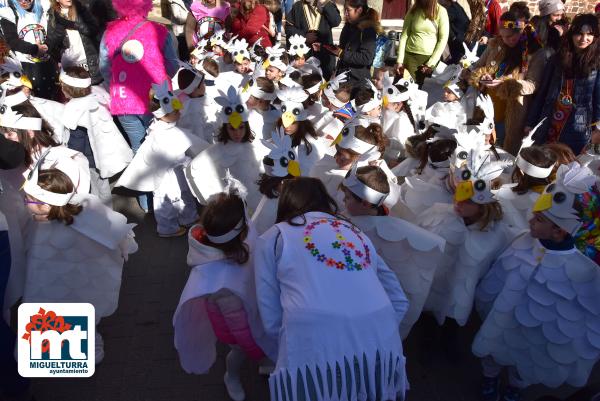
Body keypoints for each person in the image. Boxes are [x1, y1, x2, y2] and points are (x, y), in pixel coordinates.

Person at [254, 176, 409, 401]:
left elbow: (269, 312)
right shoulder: (354, 231)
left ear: (286, 202)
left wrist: (287, 351)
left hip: (312, 340)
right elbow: (398, 297)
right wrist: (378, 329)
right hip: (378, 339)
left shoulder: (274, 236)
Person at [472, 162, 600, 401]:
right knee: (492, 349)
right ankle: (490, 377)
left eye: (539, 219)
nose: (531, 220)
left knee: (525, 359)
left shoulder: (584, 271)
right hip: (502, 317)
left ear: (559, 231)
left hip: (536, 333)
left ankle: (515, 385)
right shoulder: (522, 240)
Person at [22, 160, 137, 365]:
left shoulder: (82, 221)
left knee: (83, 321)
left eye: (28, 202)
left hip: (82, 286)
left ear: (47, 204)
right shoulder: (45, 222)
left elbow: (115, 235)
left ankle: (90, 351)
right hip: (54, 288)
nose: (25, 206)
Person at [173, 189, 275, 401]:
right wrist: (253, 343)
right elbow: (238, 323)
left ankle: (264, 362)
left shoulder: (236, 238)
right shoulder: (218, 281)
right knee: (239, 352)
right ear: (240, 233)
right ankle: (232, 376)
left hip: (251, 308)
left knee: (263, 344)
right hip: (236, 323)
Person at [341, 163, 446, 338]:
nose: (343, 201)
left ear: (366, 203)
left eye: (347, 198)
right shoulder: (345, 219)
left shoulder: (399, 234)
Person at [98, 0, 179, 212]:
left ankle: (146, 202)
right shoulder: (160, 31)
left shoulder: (110, 32)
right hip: (157, 99)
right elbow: (172, 65)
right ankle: (166, 200)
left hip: (124, 100)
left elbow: (104, 68)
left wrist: (118, 83)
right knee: (161, 148)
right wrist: (160, 79)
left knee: (139, 149)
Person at [116, 80, 198, 238]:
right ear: (164, 115)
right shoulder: (161, 134)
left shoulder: (163, 126)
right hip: (166, 176)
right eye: (175, 111)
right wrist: (188, 161)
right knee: (166, 201)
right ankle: (168, 228)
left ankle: (188, 217)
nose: (179, 113)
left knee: (183, 193)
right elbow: (172, 155)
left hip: (176, 172)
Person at [467, 11, 545, 155]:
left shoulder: (535, 53)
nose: (506, 40)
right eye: (502, 36)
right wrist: (481, 76)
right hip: (487, 106)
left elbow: (533, 84)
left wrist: (506, 83)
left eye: (510, 36)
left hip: (511, 112)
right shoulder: (496, 43)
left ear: (521, 31)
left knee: (501, 151)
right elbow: (477, 66)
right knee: (480, 149)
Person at [527, 14, 600, 156]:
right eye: (579, 34)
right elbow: (542, 92)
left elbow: (598, 99)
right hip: (550, 119)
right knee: (544, 160)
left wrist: (598, 128)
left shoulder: (596, 63)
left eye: (589, 35)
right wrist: (531, 122)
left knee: (569, 163)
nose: (584, 39)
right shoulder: (557, 59)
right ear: (572, 34)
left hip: (578, 125)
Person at [60, 66, 133, 206]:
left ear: (68, 90)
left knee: (94, 187)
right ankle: (108, 210)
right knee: (103, 184)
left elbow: (77, 140)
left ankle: (101, 213)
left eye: (63, 87)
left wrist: (71, 156)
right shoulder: (96, 97)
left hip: (89, 158)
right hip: (102, 153)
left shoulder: (75, 110)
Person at [0, 0, 59, 99]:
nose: (23, 1)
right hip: (25, 67)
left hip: (49, 65)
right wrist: (35, 49)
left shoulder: (44, 8)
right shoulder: (9, 13)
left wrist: (48, 45)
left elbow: (56, 32)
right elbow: (12, 41)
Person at [46, 0, 103, 85]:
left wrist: (74, 25)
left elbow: (93, 30)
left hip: (89, 62)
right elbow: (52, 41)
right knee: (77, 93)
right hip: (71, 64)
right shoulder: (53, 14)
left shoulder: (81, 8)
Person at [394, 0, 449, 82]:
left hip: (427, 59)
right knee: (403, 87)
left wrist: (431, 63)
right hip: (409, 57)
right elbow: (404, 36)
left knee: (419, 90)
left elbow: (443, 39)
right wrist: (399, 60)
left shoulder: (441, 11)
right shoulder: (414, 10)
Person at [285, 0, 341, 79]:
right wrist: (304, 36)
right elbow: (289, 28)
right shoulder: (298, 6)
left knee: (324, 81)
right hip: (304, 53)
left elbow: (336, 21)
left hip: (324, 52)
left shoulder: (328, 4)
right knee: (304, 82)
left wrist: (324, 4)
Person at [328, 0, 381, 83]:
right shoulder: (348, 26)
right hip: (343, 77)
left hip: (357, 81)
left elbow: (366, 58)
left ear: (359, 10)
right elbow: (344, 49)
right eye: (344, 10)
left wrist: (341, 53)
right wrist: (327, 48)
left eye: (348, 10)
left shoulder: (367, 29)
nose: (345, 13)